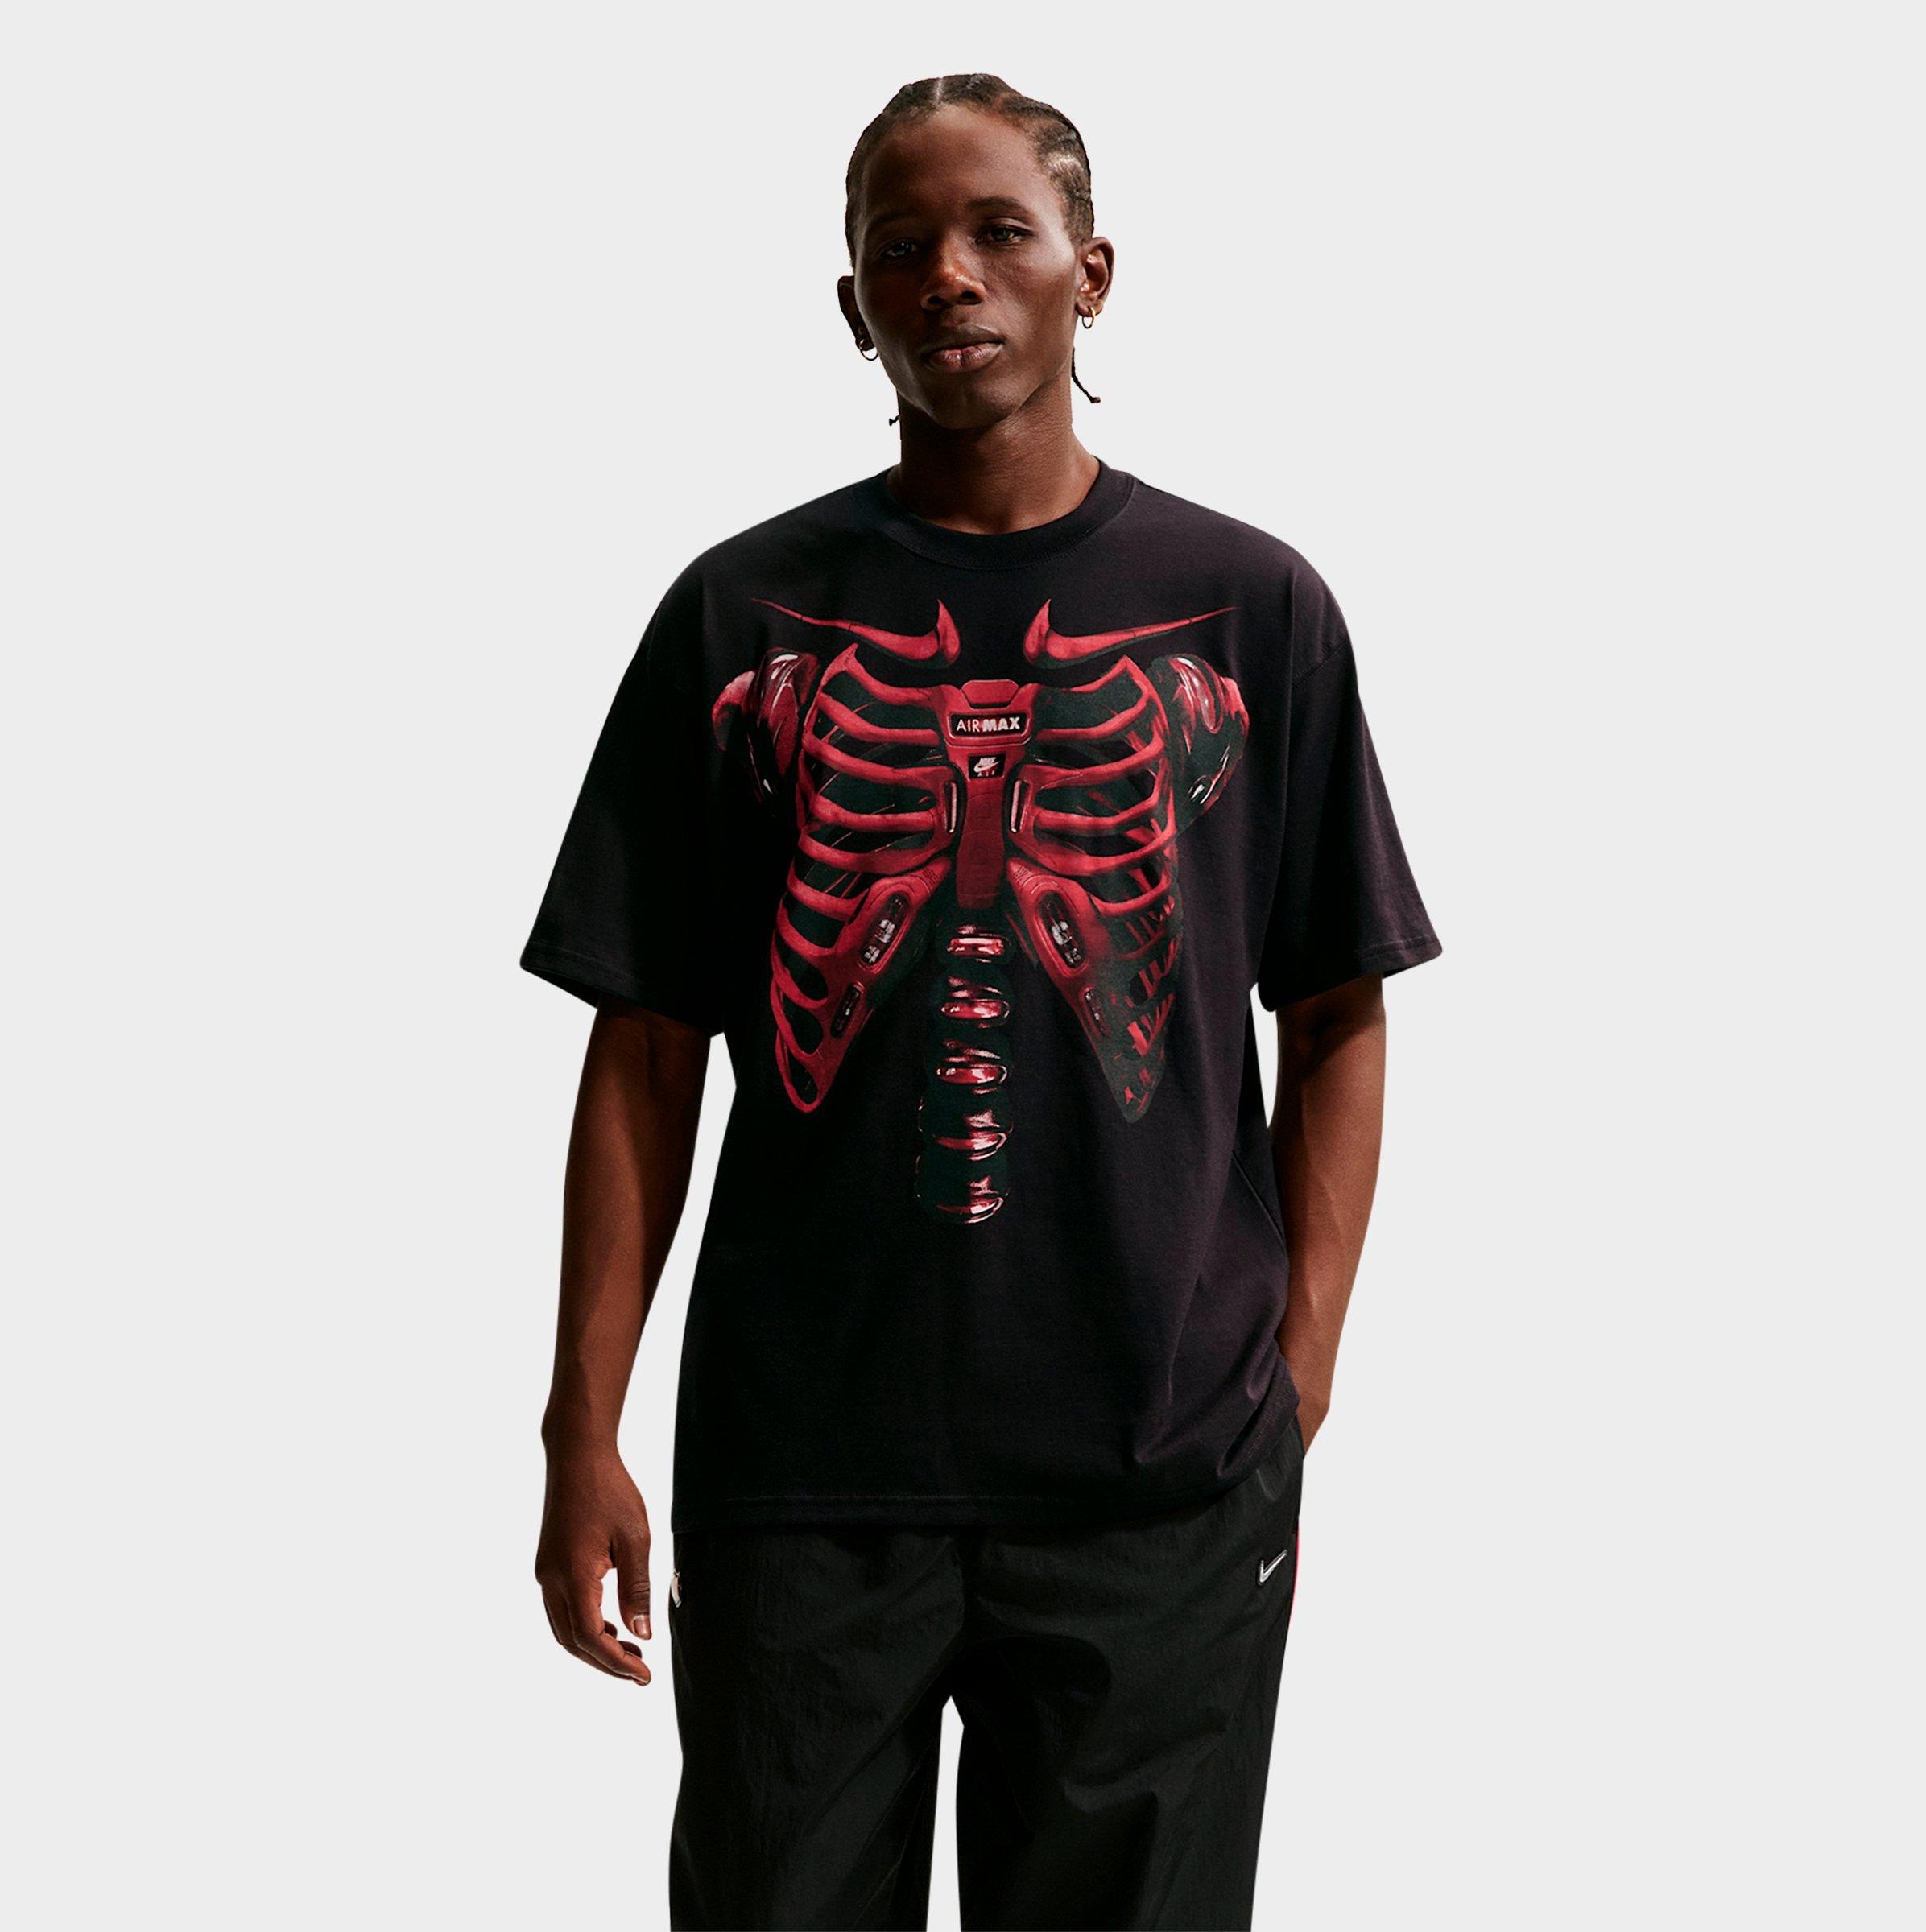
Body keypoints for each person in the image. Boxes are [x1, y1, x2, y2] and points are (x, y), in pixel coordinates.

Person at [523, 72, 1440, 1932]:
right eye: (901, 244)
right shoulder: (739, 617)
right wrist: (579, 1425)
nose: (948, 273)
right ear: (850, 303)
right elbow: (646, 1044)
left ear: (1091, 273)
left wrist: (1299, 1369)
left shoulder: (1251, 607)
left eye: (998, 231)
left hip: (1158, 1470)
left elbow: (1337, 1001)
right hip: (807, 1467)